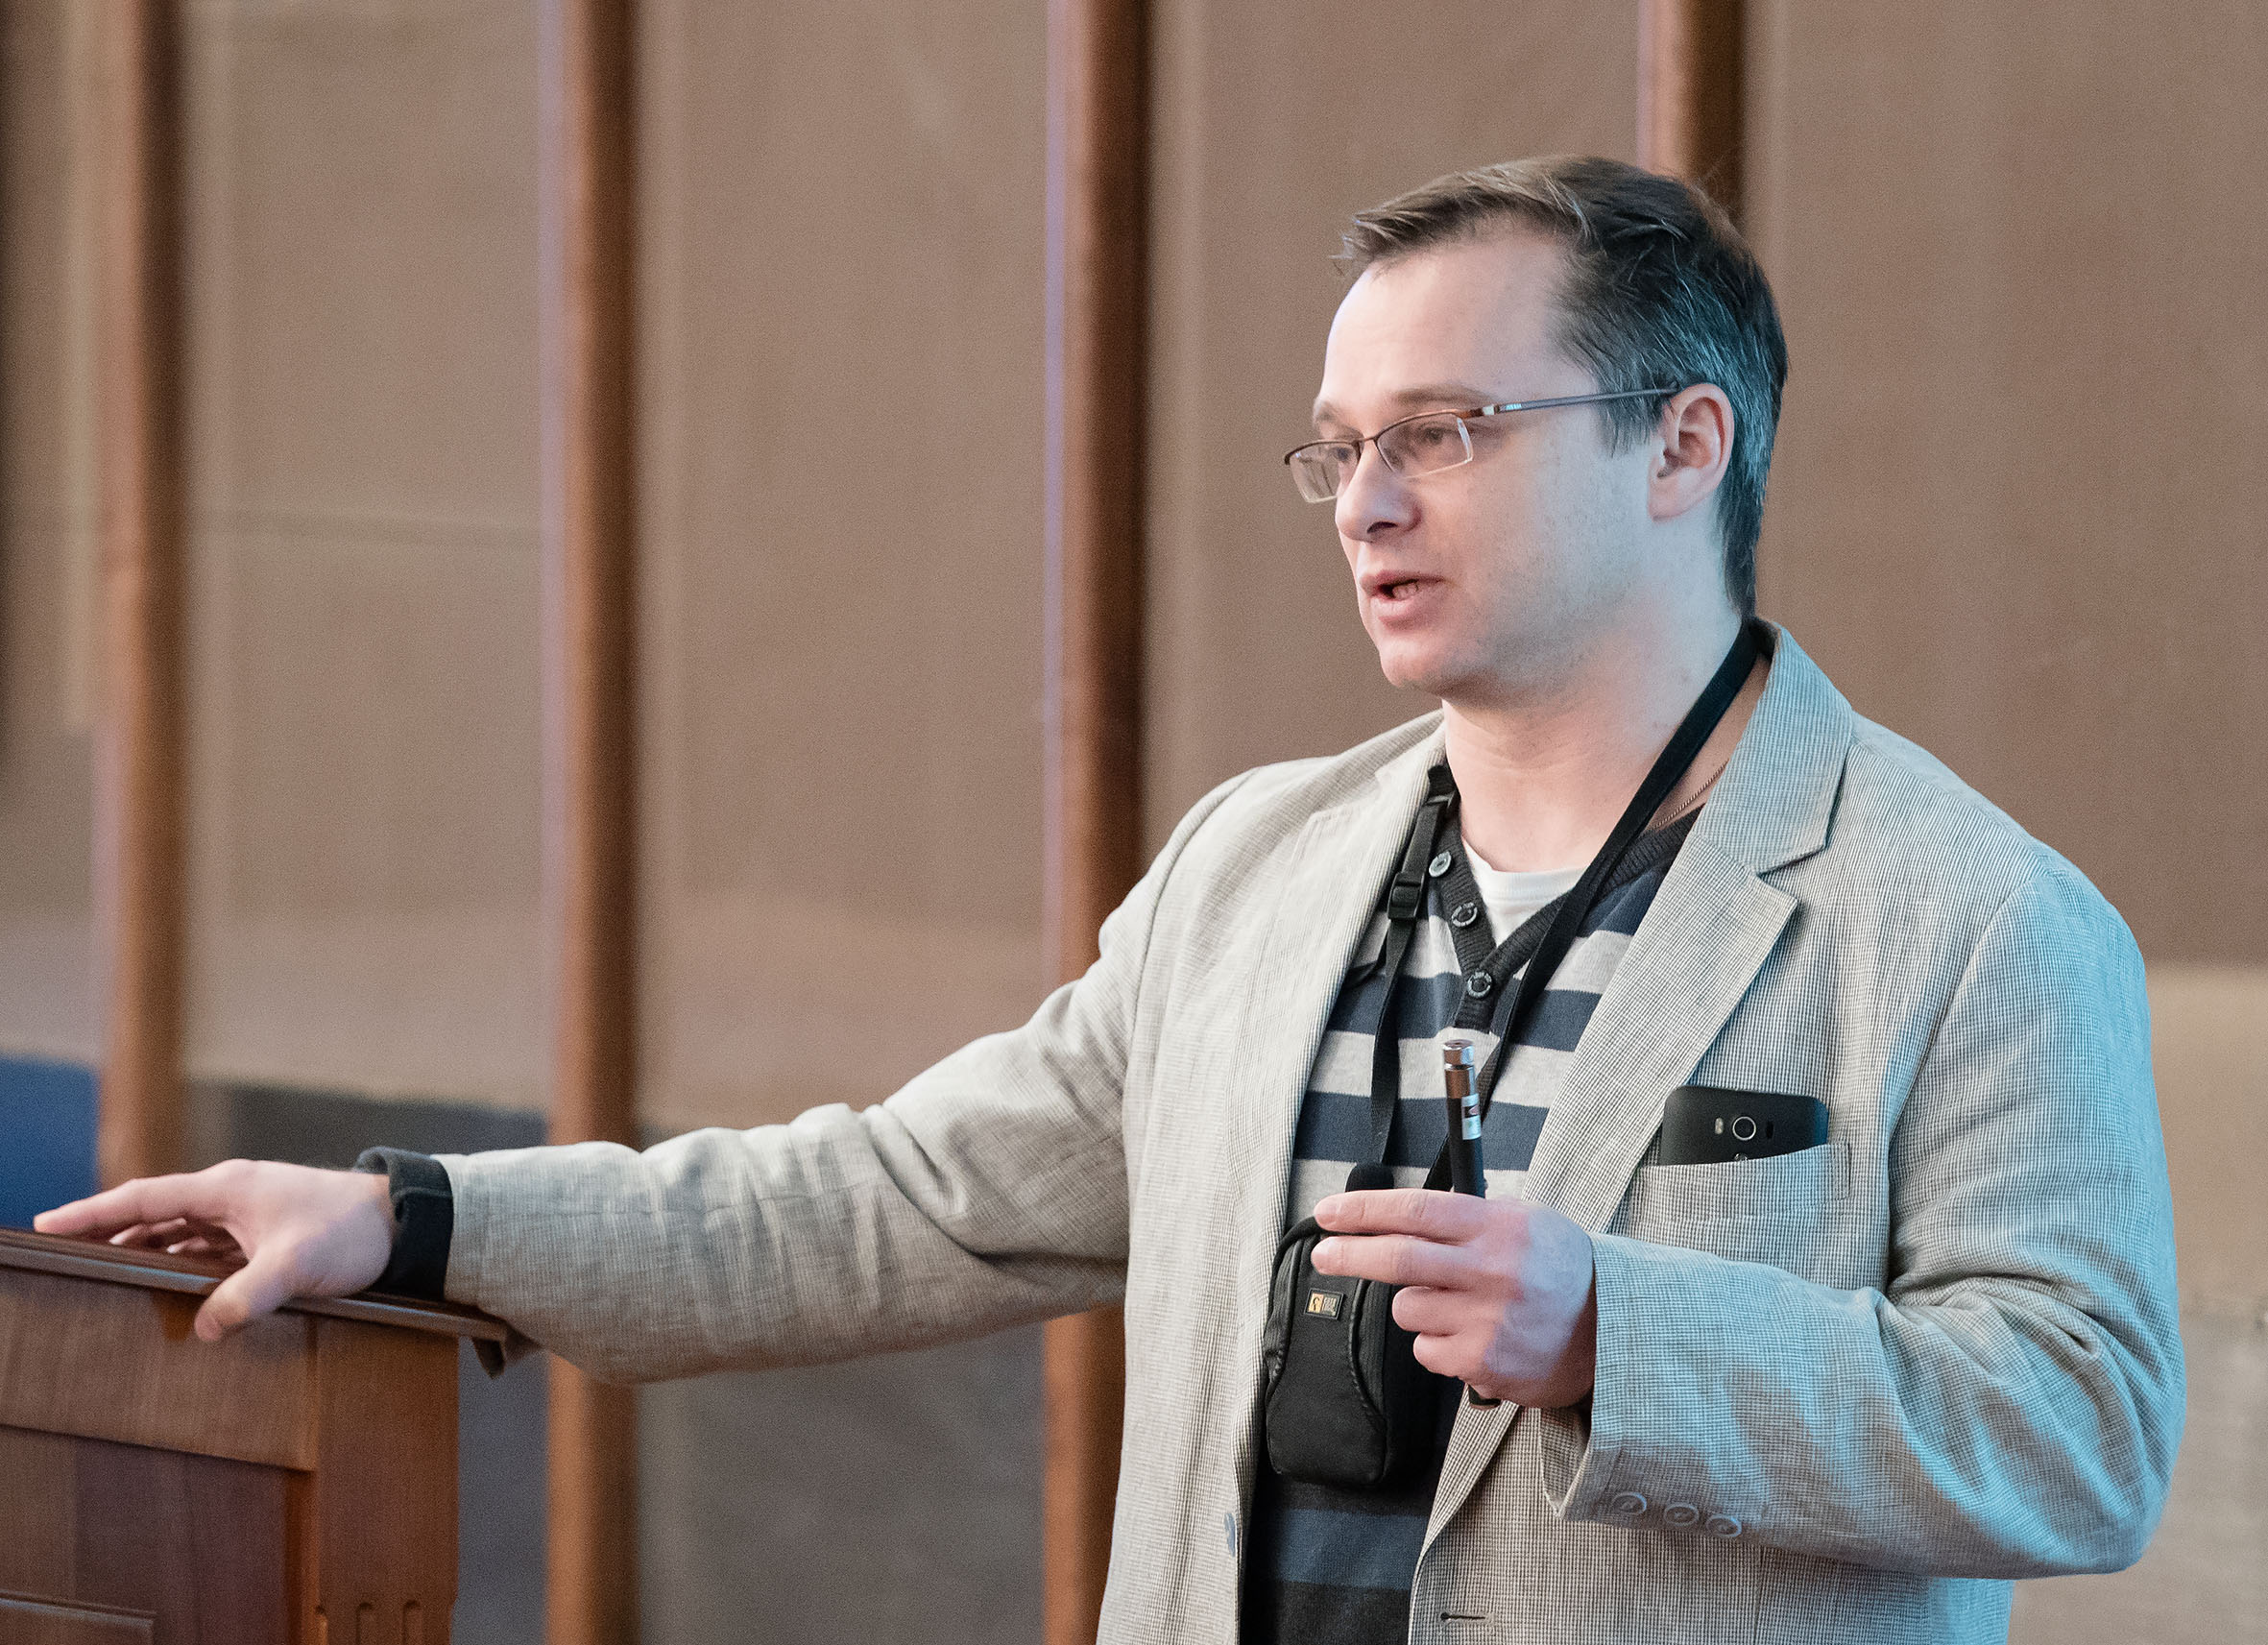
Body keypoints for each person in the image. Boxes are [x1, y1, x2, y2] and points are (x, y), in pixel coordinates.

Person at [40, 157, 2184, 1644]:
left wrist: (1623, 1332)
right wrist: (412, 1219)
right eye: (1338, 445)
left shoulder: (1969, 914)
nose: (1364, 502)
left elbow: (2082, 1428)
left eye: (1443, 430)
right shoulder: (1256, 866)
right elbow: (894, 1200)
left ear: (1683, 444)